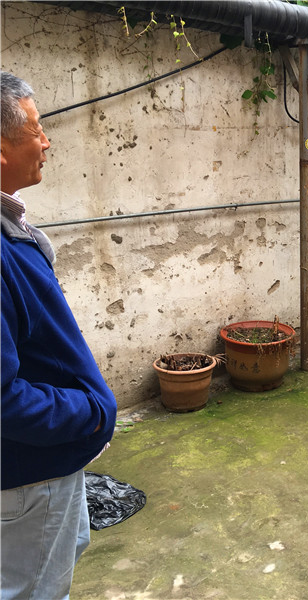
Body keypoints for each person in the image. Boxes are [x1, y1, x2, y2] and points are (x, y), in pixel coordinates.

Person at [1, 71, 117, 597]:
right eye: (36, 129)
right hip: (28, 477)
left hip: (41, 468)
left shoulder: (10, 228)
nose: (47, 142)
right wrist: (90, 413)